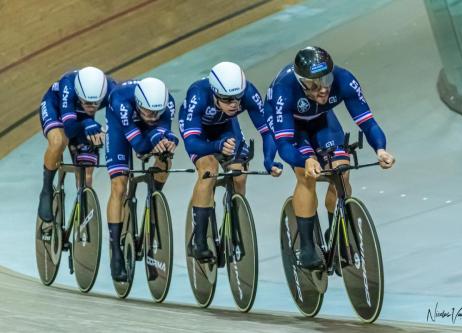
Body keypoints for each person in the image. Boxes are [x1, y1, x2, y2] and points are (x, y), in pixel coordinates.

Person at [265, 46, 395, 269]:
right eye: (314, 84)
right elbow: (284, 144)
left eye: (326, 78)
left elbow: (367, 122)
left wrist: (380, 149)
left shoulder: (344, 79)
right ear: (301, 82)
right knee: (306, 176)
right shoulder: (284, 89)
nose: (323, 88)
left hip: (321, 119)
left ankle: (336, 230)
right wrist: (305, 160)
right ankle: (306, 246)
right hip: (291, 125)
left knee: (342, 172)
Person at [178, 61, 282, 260]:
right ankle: (198, 240)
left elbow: (268, 131)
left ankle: (234, 225)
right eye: (227, 99)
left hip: (226, 126)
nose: (234, 104)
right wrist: (215, 146)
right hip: (199, 132)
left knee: (239, 174)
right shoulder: (198, 95)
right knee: (209, 170)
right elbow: (192, 143)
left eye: (237, 99)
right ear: (215, 94)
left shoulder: (249, 93)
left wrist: (269, 160)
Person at [105, 77, 178, 281]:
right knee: (119, 185)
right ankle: (116, 251)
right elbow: (139, 146)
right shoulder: (121, 101)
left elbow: (162, 130)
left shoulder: (167, 103)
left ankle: (154, 197)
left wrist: (168, 141)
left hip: (142, 129)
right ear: (138, 103)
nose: (153, 117)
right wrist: (154, 139)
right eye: (148, 112)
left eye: (157, 113)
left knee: (165, 160)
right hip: (121, 127)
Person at [37, 66, 115, 222]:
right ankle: (46, 189)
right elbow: (70, 129)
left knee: (86, 174)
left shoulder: (112, 90)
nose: (91, 107)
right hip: (57, 108)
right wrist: (87, 123)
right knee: (59, 141)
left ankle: (83, 208)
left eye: (96, 103)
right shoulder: (68, 85)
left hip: (81, 119)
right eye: (87, 102)